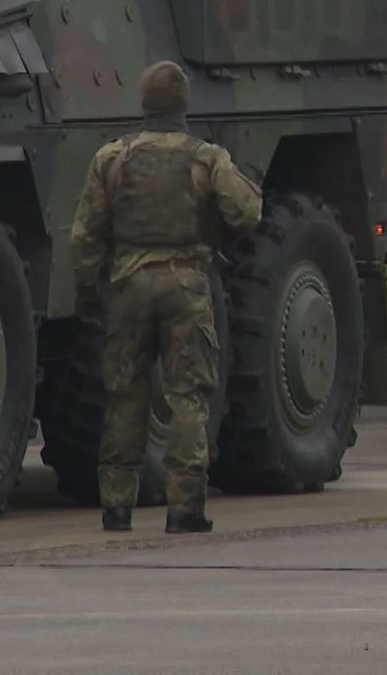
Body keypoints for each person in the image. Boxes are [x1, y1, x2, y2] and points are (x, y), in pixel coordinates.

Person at [68, 60, 263, 534]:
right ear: (184, 103)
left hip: (128, 287)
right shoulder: (206, 158)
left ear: (144, 102)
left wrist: (89, 287)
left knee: (124, 395)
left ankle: (116, 505)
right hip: (186, 285)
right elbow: (247, 212)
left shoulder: (112, 158)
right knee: (188, 396)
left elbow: (84, 236)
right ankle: (185, 508)